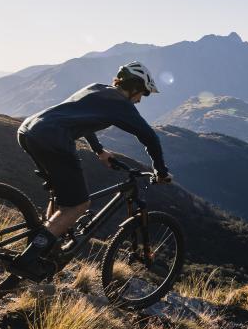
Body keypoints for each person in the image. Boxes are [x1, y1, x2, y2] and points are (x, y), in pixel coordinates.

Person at [10, 62, 172, 281]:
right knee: (79, 204)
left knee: (62, 196)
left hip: (29, 130)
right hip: (53, 139)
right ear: (134, 87)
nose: (140, 100)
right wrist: (160, 171)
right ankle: (29, 259)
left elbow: (77, 116)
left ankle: (46, 248)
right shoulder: (121, 105)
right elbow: (149, 137)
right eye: (142, 93)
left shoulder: (96, 88)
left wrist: (98, 150)